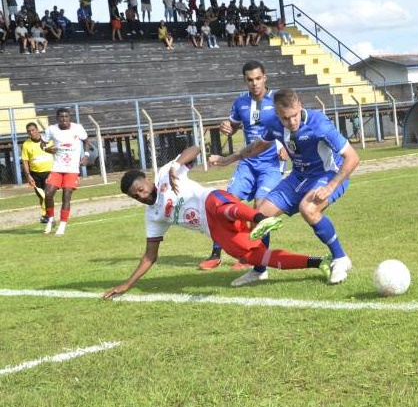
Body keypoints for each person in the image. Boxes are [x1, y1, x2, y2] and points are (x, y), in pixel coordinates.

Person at [102, 146, 329, 299]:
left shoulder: (164, 174)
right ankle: (319, 262)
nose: (141, 196)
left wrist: (175, 165)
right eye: (135, 196)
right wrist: (128, 284)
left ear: (148, 181)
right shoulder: (153, 216)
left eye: (140, 189)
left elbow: (196, 149)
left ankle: (261, 219)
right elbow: (150, 256)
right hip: (215, 231)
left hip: (214, 202)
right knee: (254, 257)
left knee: (217, 205)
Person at [209, 88, 360, 285]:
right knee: (259, 216)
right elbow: (258, 146)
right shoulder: (274, 124)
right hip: (299, 176)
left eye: (294, 115)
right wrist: (231, 158)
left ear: (300, 106)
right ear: (277, 115)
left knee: (309, 208)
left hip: (327, 174)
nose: (292, 122)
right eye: (285, 118)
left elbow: (353, 157)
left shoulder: (319, 123)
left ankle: (340, 259)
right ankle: (259, 270)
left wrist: (330, 187)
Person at [198, 60, 287, 285]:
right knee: (225, 206)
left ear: (265, 77)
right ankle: (216, 254)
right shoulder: (240, 103)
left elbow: (291, 125)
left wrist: (286, 148)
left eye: (258, 78)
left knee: (261, 211)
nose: (255, 83)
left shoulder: (277, 101)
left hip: (271, 163)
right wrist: (227, 126)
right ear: (245, 81)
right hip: (247, 162)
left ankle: (258, 262)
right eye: (250, 80)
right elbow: (235, 125)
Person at [40, 107, 93, 235]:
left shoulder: (77, 128)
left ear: (70, 117)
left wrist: (85, 155)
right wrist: (47, 149)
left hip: (72, 168)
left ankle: (62, 225)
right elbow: (42, 143)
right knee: (48, 193)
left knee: (66, 195)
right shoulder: (51, 129)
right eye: (61, 117)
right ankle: (51, 219)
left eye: (66, 117)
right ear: (57, 118)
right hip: (57, 167)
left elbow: (86, 141)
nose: (64, 119)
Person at [20, 122, 54, 223]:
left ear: (37, 130)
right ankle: (46, 215)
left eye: (33, 130)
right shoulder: (26, 144)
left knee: (48, 195)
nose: (31, 132)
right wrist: (28, 175)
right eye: (29, 131)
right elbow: (25, 161)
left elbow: (55, 153)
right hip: (35, 174)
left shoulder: (48, 140)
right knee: (41, 196)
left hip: (49, 172)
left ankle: (49, 215)